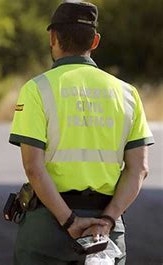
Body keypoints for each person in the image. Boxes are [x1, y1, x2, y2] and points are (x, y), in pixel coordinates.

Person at [8, 2, 154, 264]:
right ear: (95, 41)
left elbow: (33, 167)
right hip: (105, 233)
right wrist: (108, 220)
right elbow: (139, 168)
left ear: (53, 38)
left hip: (47, 228)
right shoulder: (127, 93)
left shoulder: (37, 89)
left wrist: (70, 221)